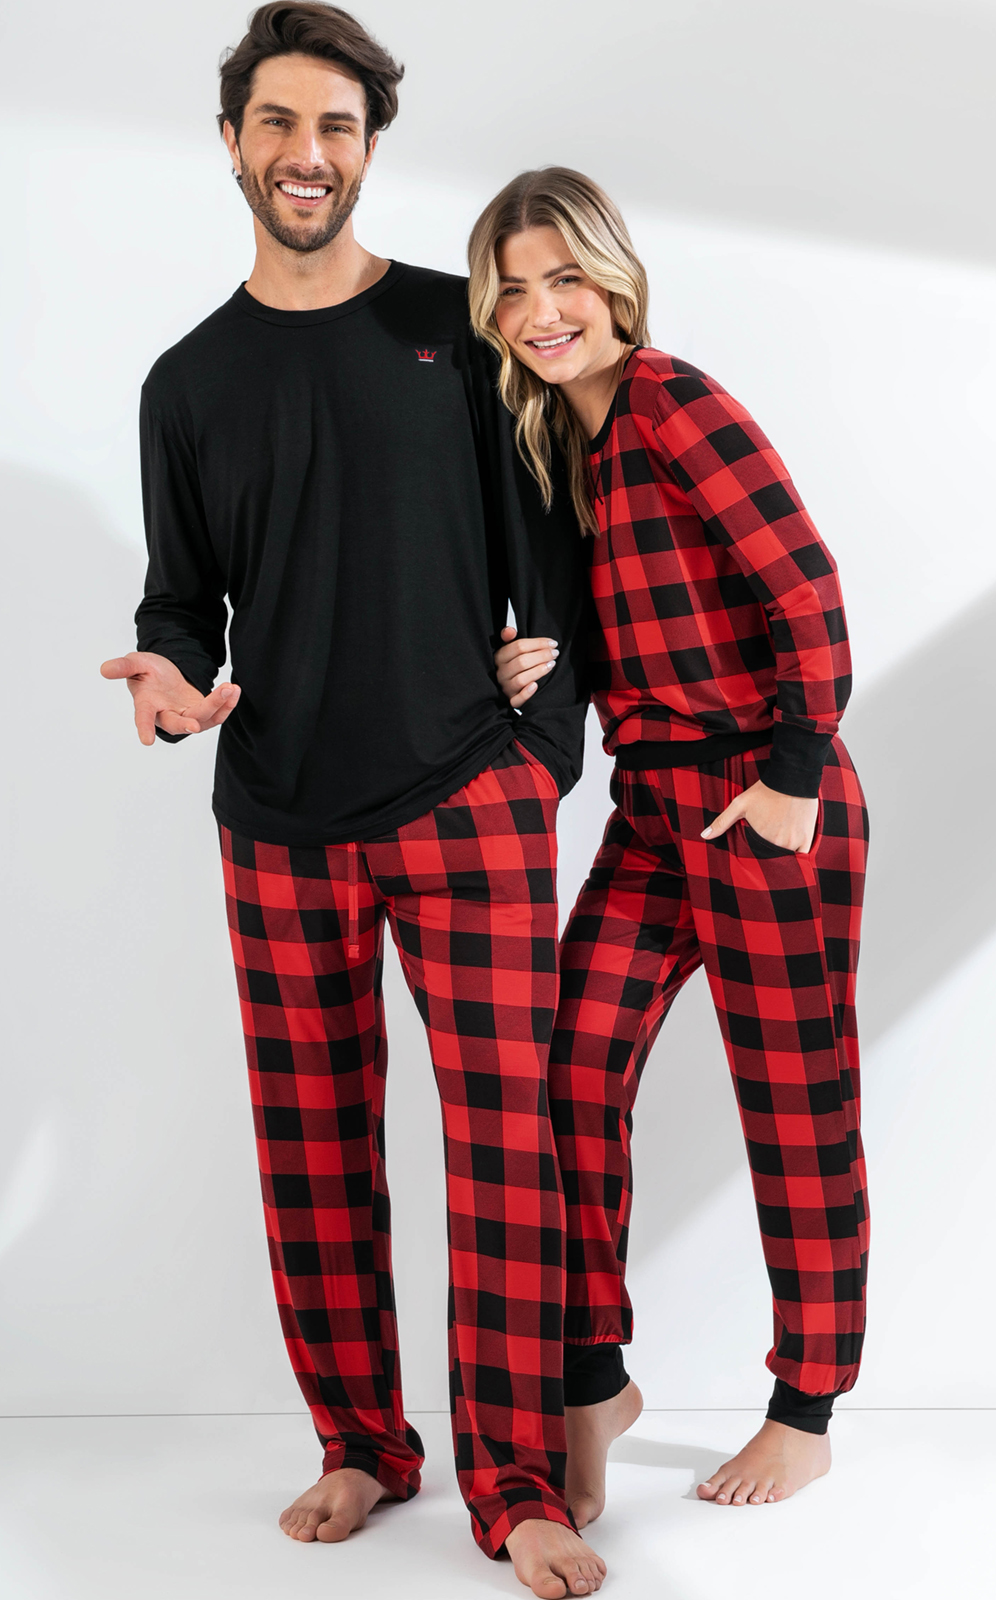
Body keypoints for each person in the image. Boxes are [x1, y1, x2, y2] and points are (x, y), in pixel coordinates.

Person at [100, 12, 607, 1595]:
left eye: (335, 123)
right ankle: (363, 1444)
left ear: (370, 145)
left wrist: (545, 752)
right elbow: (184, 597)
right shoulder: (187, 383)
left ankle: (513, 1482)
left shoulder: (462, 329)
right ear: (232, 142)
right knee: (312, 1155)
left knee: (507, 1153)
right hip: (276, 820)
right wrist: (172, 675)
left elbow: (558, 550)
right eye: (276, 122)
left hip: (469, 800)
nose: (305, 152)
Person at [469, 167, 869, 1523]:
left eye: (565, 279)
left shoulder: (673, 401)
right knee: (567, 1069)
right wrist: (534, 662)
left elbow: (807, 586)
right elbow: (619, 628)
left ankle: (807, 1412)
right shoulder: (562, 446)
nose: (543, 310)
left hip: (763, 798)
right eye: (514, 290)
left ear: (614, 282)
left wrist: (796, 775)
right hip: (651, 812)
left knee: (795, 1106)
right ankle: (593, 1377)